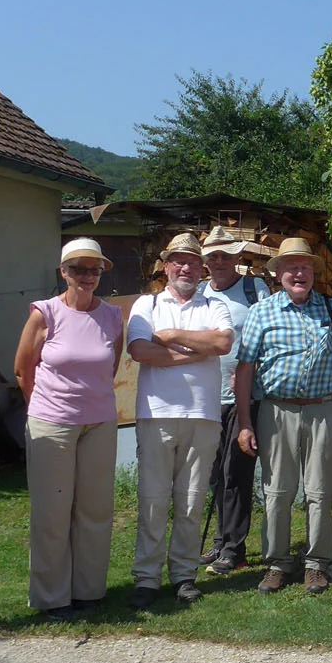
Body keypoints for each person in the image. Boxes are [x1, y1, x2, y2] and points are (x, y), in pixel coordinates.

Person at [234, 238, 332, 595]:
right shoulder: (262, 312)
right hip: (276, 409)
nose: (298, 273)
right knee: (277, 490)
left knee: (319, 490)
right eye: (291, 267)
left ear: (313, 273)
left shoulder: (331, 310)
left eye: (305, 267)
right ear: (278, 274)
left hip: (321, 410)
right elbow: (245, 369)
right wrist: (245, 422)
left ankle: (316, 565)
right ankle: (277, 563)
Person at [15, 238, 124, 620]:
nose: (87, 276)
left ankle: (89, 591)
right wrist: (44, 409)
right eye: (78, 268)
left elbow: (110, 367)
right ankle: (51, 597)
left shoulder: (112, 315)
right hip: (52, 423)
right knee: (52, 512)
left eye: (94, 269)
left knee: (95, 510)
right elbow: (22, 370)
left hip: (100, 422)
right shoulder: (44, 313)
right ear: (63, 272)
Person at [125, 233, 233, 608]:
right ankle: (147, 578)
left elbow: (221, 345)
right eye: (177, 261)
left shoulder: (214, 304)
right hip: (156, 414)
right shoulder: (147, 303)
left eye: (191, 261)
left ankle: (184, 575)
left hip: (203, 415)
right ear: (166, 266)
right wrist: (194, 352)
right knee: (152, 500)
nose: (184, 267)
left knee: (191, 501)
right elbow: (140, 350)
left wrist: (170, 337)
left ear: (201, 267)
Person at [197, 225, 271, 574]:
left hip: (245, 397)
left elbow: (270, 336)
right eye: (212, 255)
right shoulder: (199, 293)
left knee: (236, 473)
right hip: (206, 398)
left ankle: (234, 549)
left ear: (238, 257)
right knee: (214, 474)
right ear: (205, 262)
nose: (219, 260)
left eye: (226, 254)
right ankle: (220, 542)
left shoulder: (254, 289)